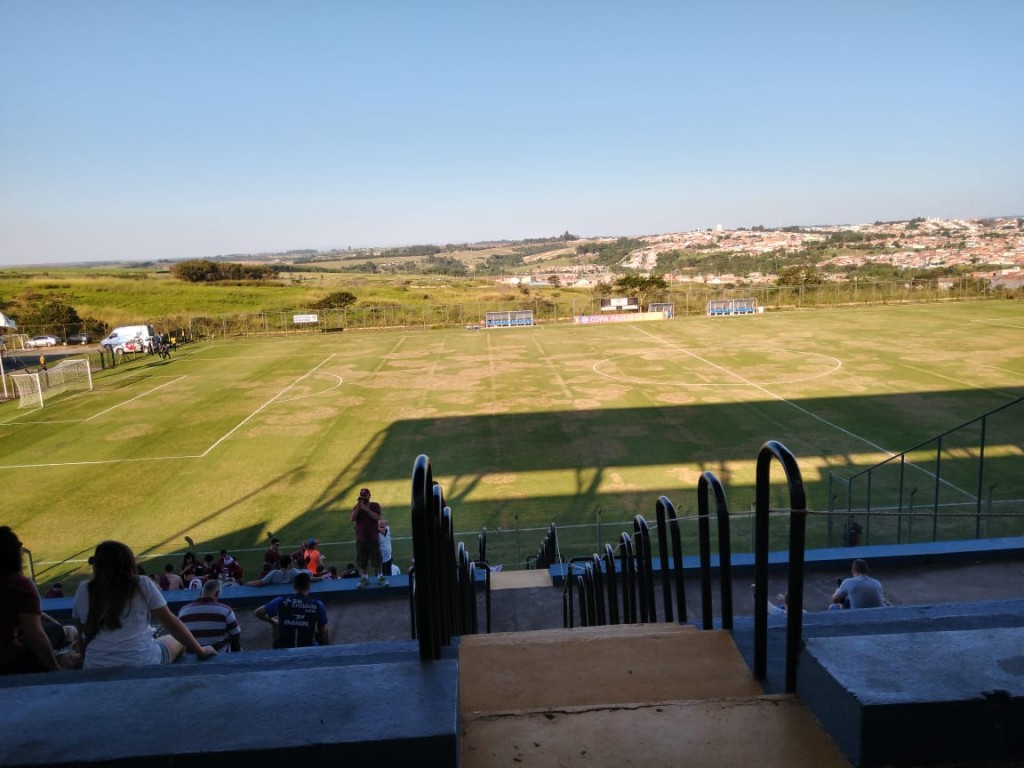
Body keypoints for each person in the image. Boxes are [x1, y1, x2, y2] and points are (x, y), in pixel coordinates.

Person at [72, 540, 216, 668]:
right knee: (176, 641)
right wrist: (201, 650)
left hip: (95, 664)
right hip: (143, 661)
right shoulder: (142, 583)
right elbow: (171, 623)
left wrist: (84, 659)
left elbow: (81, 633)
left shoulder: (84, 588)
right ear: (129, 563)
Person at [0, 526, 63, 674]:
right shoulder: (19, 585)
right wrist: (55, 669)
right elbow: (36, 636)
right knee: (57, 630)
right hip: (8, 663)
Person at [254, 572, 329, 649]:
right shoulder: (317, 605)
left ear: (294, 586)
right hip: (308, 649)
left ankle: (275, 652)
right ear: (309, 587)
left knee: (276, 627)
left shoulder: (280, 601)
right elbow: (324, 630)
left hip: (284, 649)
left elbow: (258, 613)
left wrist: (273, 621)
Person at [178, 579, 242, 653]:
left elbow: (180, 638)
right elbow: (236, 635)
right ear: (217, 593)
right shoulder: (226, 610)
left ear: (202, 591)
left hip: (192, 656)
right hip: (219, 655)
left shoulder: (183, 611)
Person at [350, 487, 386, 588]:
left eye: (365, 496)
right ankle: (365, 578)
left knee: (377, 559)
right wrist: (358, 507)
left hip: (373, 538)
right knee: (362, 560)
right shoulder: (357, 507)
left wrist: (366, 509)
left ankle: (380, 577)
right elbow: (352, 518)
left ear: (369, 496)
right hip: (361, 539)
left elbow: (377, 517)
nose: (363, 499)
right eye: (362, 496)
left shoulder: (375, 505)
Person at [246, 555, 318, 586]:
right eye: (292, 561)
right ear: (289, 564)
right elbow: (309, 576)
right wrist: (321, 578)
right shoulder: (294, 572)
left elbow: (260, 582)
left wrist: (248, 583)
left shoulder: (274, 573)